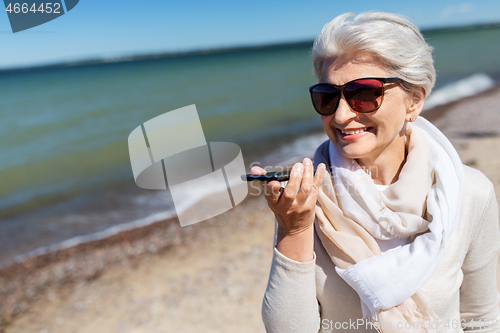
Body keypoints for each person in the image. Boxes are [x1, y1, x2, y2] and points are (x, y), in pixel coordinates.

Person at [252, 11, 500, 333]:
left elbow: (481, 319)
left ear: (414, 101)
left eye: (365, 94)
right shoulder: (306, 200)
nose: (341, 116)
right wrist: (294, 229)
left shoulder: (469, 193)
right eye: (327, 97)